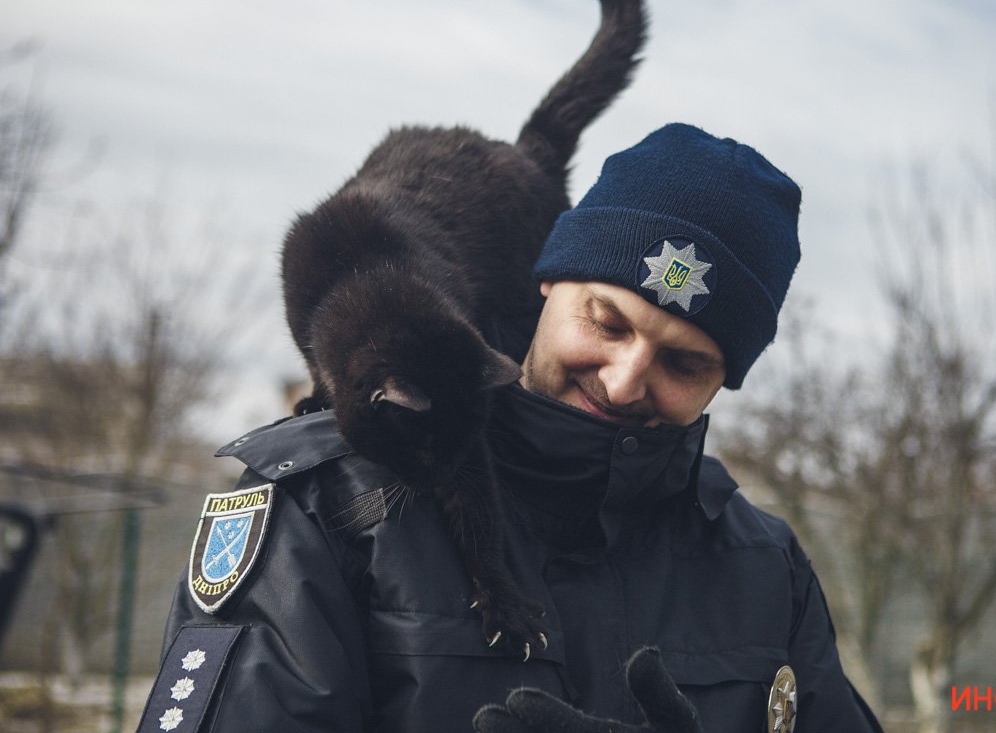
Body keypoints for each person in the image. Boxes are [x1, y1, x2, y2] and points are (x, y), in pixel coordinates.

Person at [137, 123, 882, 733]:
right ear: (547, 281)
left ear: (726, 379)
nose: (623, 380)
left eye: (683, 363)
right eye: (607, 321)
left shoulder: (764, 565)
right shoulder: (329, 511)